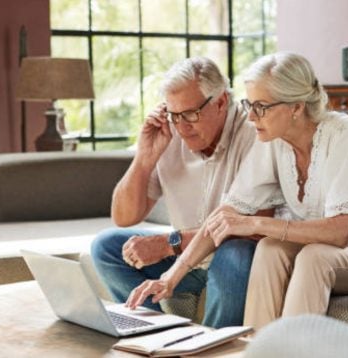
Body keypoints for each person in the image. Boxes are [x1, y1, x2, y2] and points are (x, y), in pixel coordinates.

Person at [124, 52, 348, 331]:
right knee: (270, 247)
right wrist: (171, 277)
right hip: (328, 252)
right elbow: (226, 215)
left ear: (296, 107)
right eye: (249, 104)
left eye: (261, 106)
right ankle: (255, 348)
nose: (251, 116)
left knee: (313, 257)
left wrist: (254, 223)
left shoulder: (343, 133)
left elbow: (340, 233)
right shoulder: (273, 140)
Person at [90, 57, 261, 328]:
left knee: (236, 251)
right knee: (107, 246)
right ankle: (156, 338)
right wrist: (144, 157)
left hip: (231, 259)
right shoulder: (169, 132)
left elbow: (250, 226)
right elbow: (123, 217)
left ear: (221, 102)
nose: (182, 127)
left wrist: (169, 243)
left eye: (191, 114)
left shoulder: (253, 134)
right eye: (174, 115)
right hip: (183, 258)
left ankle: (211, 349)